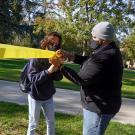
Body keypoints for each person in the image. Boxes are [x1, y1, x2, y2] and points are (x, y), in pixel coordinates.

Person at [57, 22, 123, 135]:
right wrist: (70, 56)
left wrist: (60, 66)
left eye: (94, 37)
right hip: (102, 104)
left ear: (103, 39)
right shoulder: (107, 50)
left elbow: (81, 79)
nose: (92, 39)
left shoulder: (106, 56)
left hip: (99, 108)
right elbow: (90, 61)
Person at [27, 32, 63, 135]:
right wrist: (49, 71)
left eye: (56, 44)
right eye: (52, 42)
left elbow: (58, 78)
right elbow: (33, 79)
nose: (54, 45)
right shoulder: (36, 56)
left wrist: (58, 67)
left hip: (48, 96)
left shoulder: (55, 56)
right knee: (33, 123)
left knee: (51, 122)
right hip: (35, 96)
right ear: (46, 41)